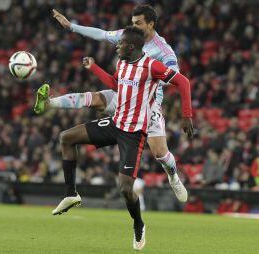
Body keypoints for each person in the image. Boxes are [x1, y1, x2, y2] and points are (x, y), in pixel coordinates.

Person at [37, 26, 193, 250]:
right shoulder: (122, 64)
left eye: (120, 44)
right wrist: (94, 68)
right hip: (115, 123)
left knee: (125, 189)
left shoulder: (152, 65)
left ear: (130, 46)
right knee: (66, 138)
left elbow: (183, 82)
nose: (116, 46)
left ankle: (138, 224)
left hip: (133, 134)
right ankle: (71, 194)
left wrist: (186, 116)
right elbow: (115, 84)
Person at [35, 5, 191, 202]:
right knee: (94, 98)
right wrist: (71, 26)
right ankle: (49, 103)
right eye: (132, 22)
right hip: (124, 93)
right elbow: (101, 34)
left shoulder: (164, 52)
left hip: (147, 105)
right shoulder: (129, 37)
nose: (133, 26)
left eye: (138, 23)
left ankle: (173, 176)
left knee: (160, 152)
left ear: (151, 24)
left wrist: (186, 113)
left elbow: (178, 79)